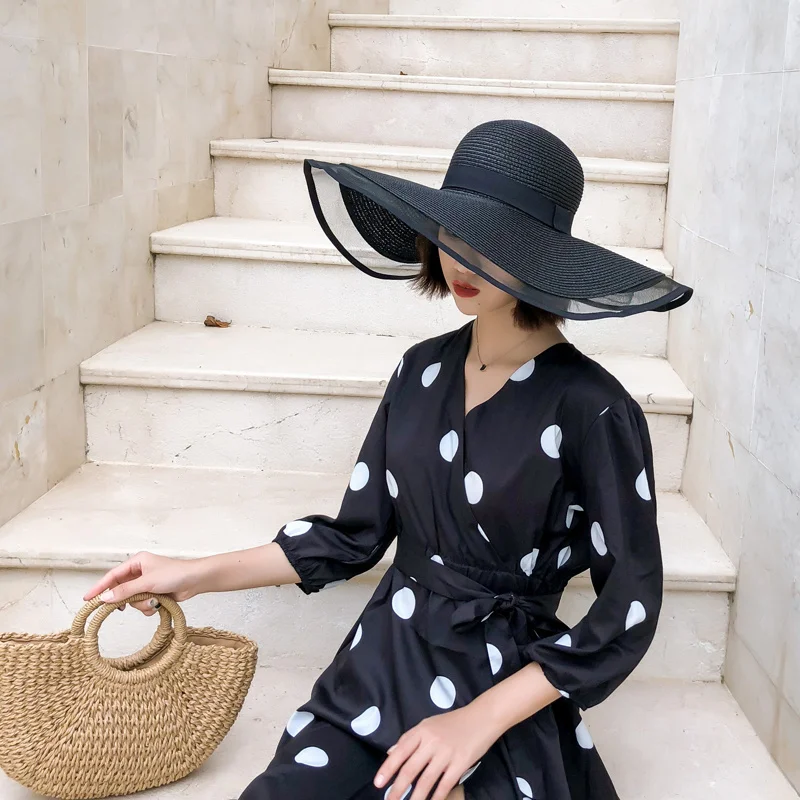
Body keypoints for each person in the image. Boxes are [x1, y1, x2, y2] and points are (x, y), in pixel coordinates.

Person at [84, 120, 692, 800]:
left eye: (494, 241)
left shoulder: (594, 409)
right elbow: (355, 536)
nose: (462, 259)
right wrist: (193, 574)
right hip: (384, 657)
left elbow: (628, 607)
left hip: (502, 680)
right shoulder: (419, 371)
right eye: (453, 231)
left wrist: (477, 721)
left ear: (541, 256)